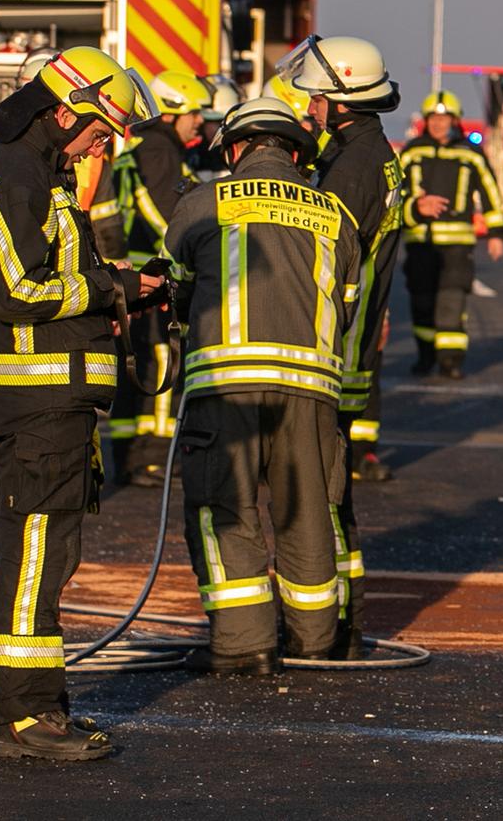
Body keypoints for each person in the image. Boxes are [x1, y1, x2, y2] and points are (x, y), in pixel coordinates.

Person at [0, 47, 155, 762]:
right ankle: (23, 716)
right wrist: (113, 289)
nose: (100, 149)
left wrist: (120, 281)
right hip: (40, 396)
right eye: (99, 134)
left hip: (52, 395)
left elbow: (50, 270)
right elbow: (17, 292)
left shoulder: (39, 167)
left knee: (48, 553)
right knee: (37, 553)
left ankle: (37, 705)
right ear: (67, 111)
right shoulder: (18, 170)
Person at [163, 97, 359, 672]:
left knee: (224, 507)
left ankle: (244, 643)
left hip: (225, 384)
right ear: (296, 154)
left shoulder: (203, 202)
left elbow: (175, 286)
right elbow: (347, 304)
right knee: (310, 511)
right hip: (313, 388)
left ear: (235, 149)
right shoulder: (336, 215)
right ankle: (314, 640)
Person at [273, 34, 405, 659]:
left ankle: (332, 626)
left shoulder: (353, 168)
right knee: (331, 493)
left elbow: (322, 255)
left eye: (317, 98)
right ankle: (340, 618)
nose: (310, 107)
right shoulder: (365, 151)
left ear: (344, 100)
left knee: (322, 495)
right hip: (353, 339)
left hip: (337, 345)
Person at [101, 71, 205, 481]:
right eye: (194, 113)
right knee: (163, 360)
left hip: (137, 274)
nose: (199, 121)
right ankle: (155, 455)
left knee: (138, 364)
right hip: (154, 276)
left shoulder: (146, 146)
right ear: (173, 111)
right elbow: (164, 215)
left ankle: (132, 455)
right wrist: (193, 251)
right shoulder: (161, 150)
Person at [398, 90, 503, 380]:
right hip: (421, 243)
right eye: (433, 118)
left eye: (444, 118)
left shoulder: (469, 153)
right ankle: (425, 356)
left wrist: (496, 233)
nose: (438, 123)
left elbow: (490, 191)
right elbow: (393, 190)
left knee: (452, 302)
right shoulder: (412, 152)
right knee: (422, 302)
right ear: (425, 121)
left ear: (455, 120)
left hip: (458, 245)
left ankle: (451, 362)